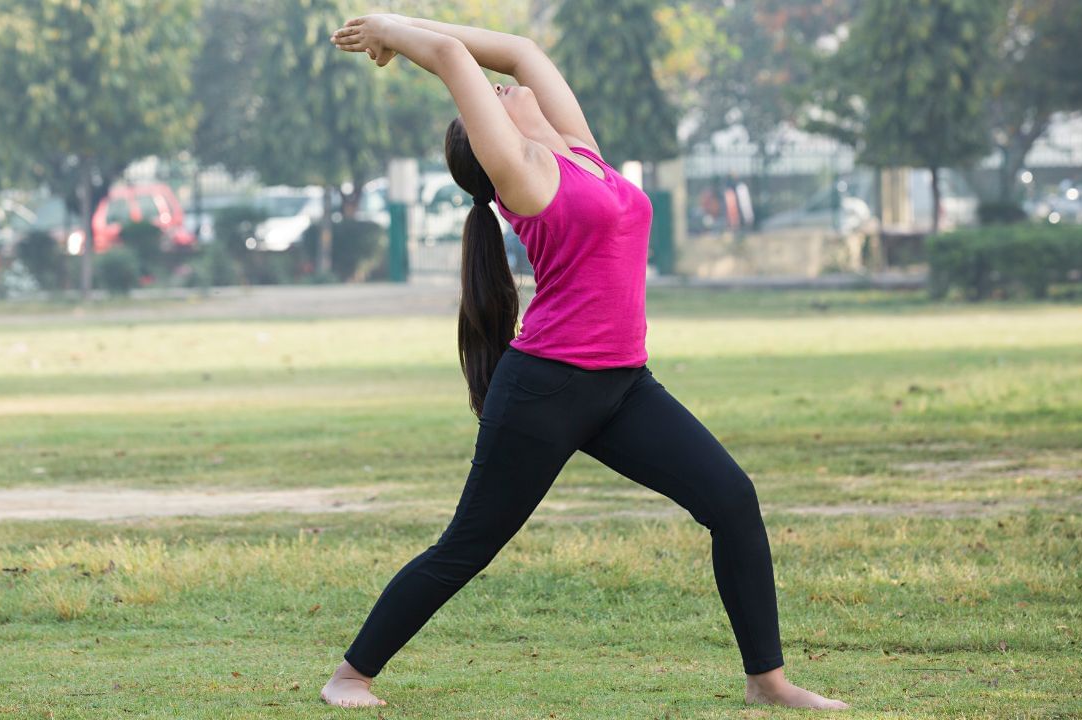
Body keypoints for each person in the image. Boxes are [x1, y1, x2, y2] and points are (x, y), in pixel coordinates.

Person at [322, 13, 849, 711]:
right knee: (468, 547)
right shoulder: (526, 176)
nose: (508, 86)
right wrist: (386, 27)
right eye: (497, 96)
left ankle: (767, 682)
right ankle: (350, 677)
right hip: (545, 391)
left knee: (732, 500)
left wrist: (397, 33)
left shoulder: (580, 152)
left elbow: (519, 50)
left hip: (625, 387)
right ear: (493, 144)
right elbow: (453, 56)